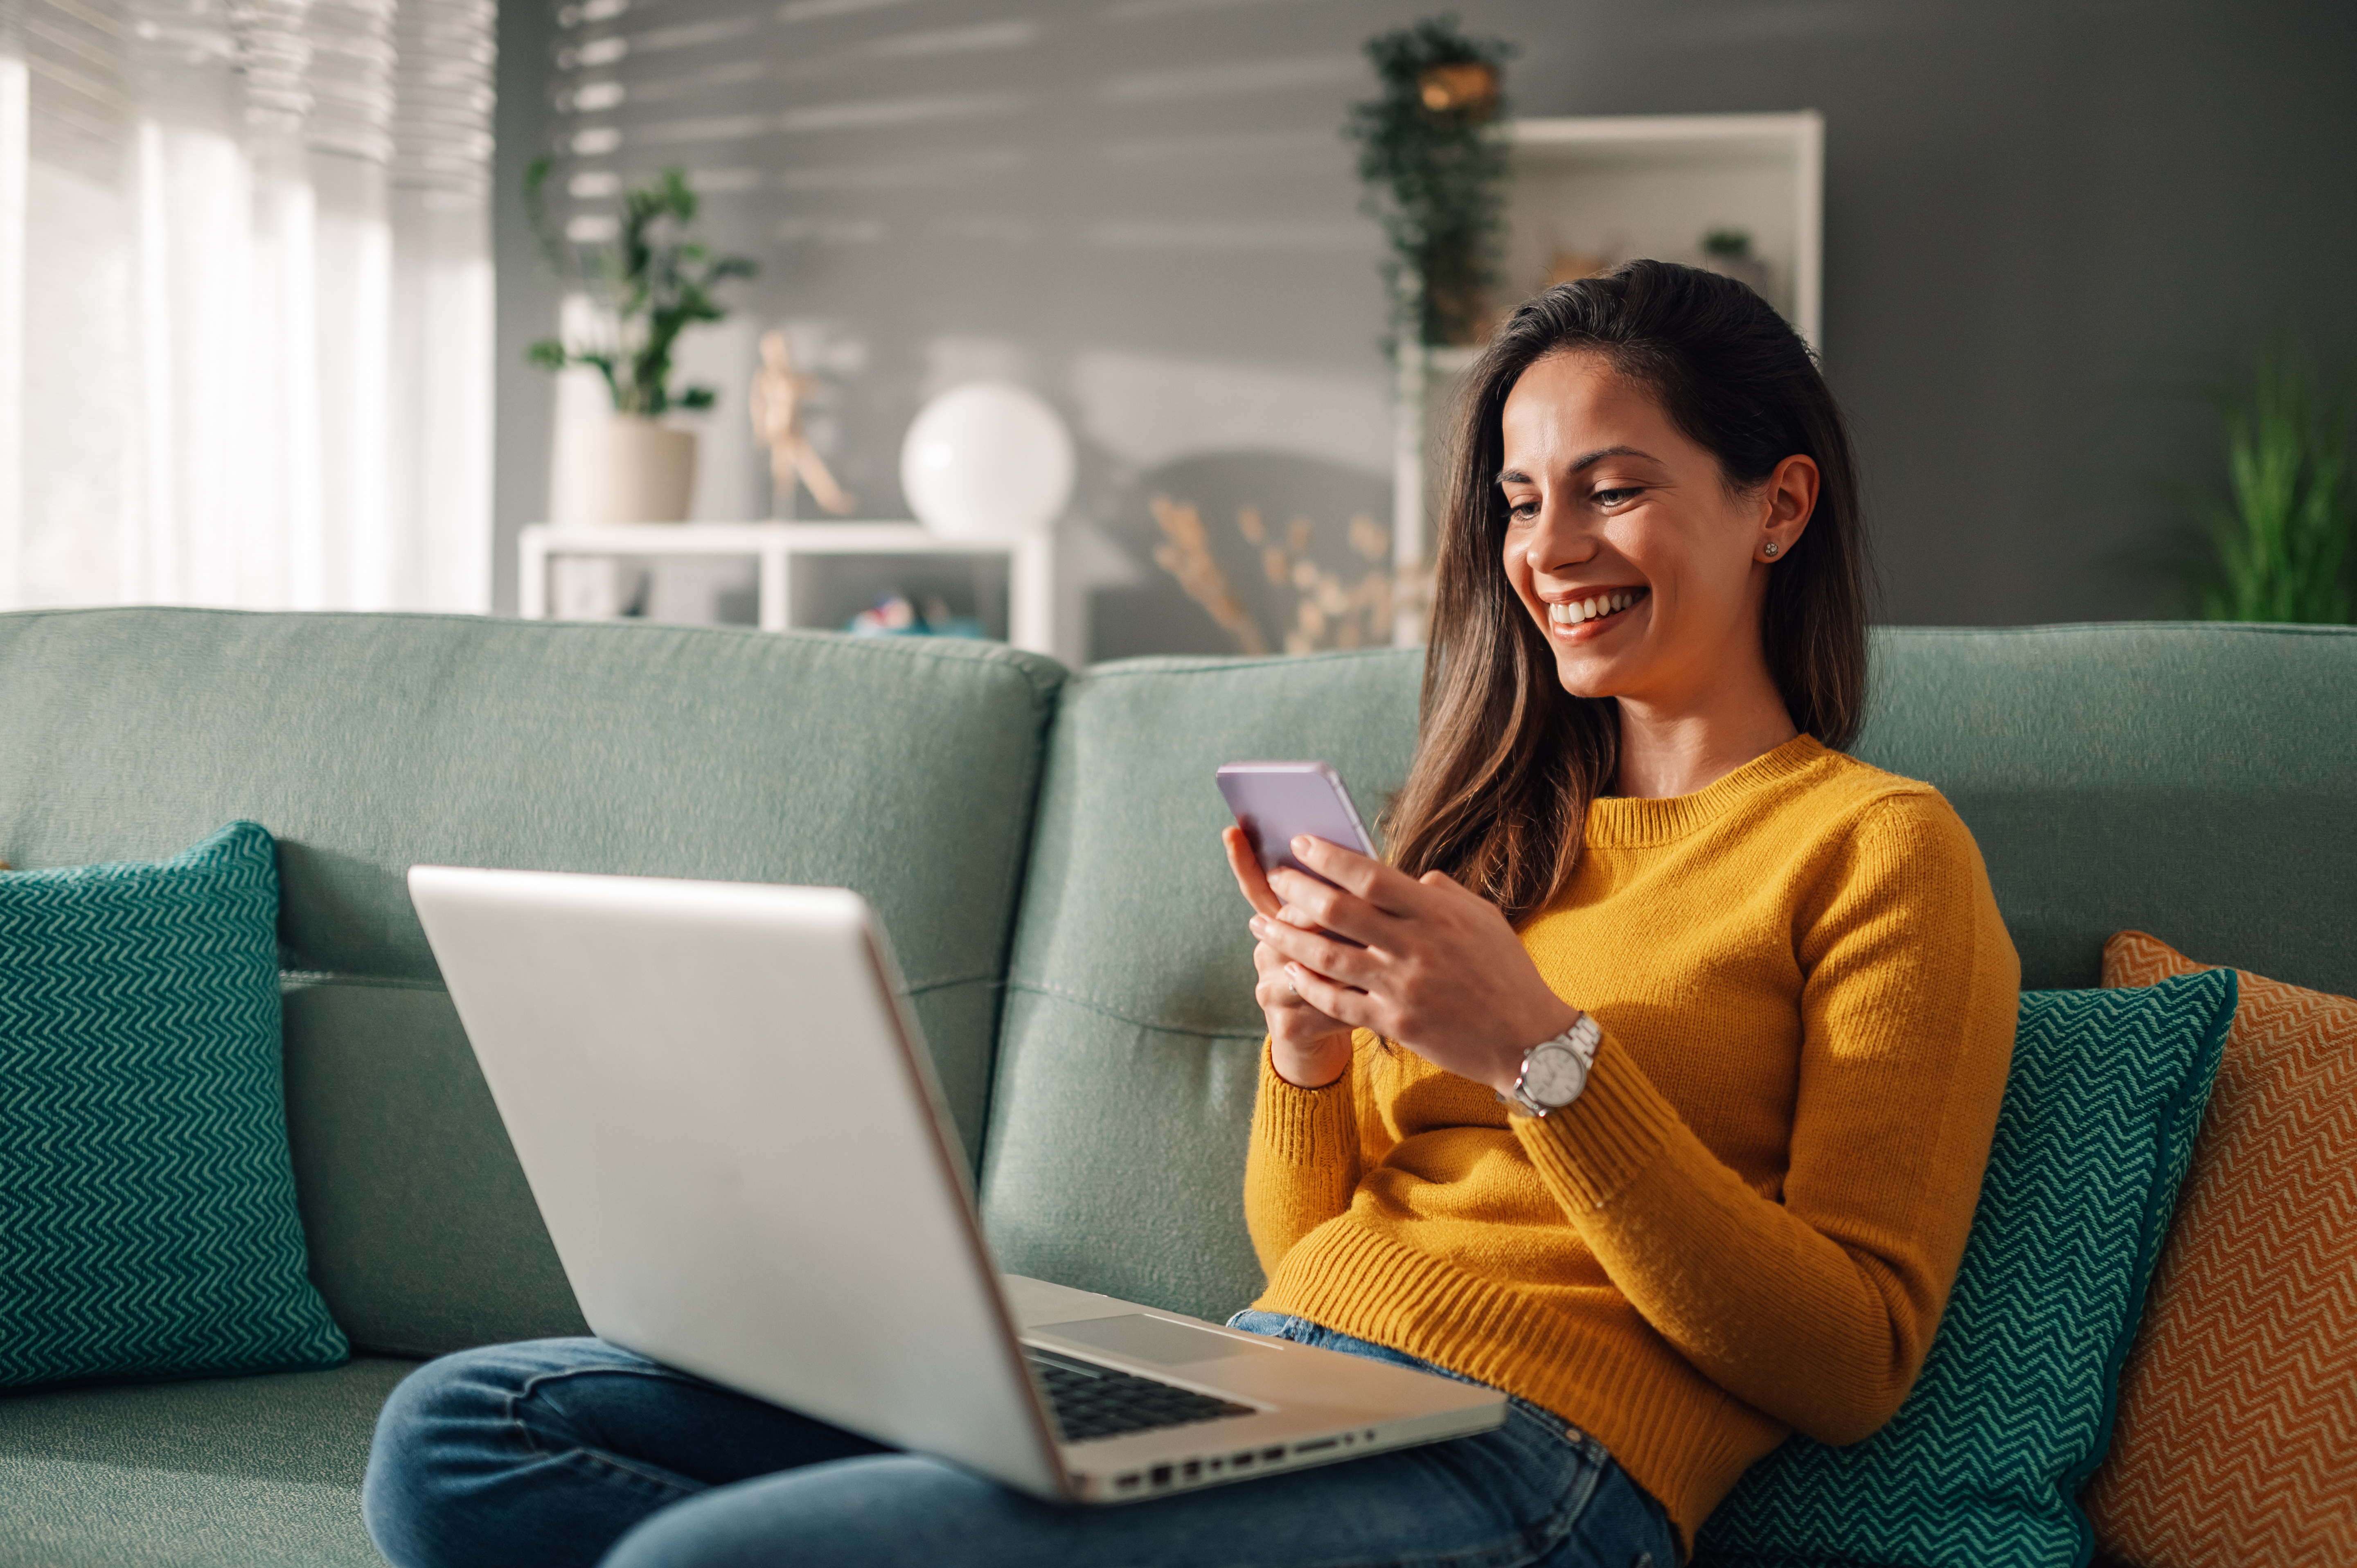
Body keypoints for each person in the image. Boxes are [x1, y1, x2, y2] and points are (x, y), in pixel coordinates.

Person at [362, 261, 2019, 1568]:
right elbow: (1310, 1257)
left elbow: (1852, 1358)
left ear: (1778, 507)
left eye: (1611, 487)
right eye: (1518, 500)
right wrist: (1304, 1052)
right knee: (466, 1433)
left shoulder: (1876, 850)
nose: (1550, 545)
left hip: (1535, 1468)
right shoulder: (1480, 840)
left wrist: (1547, 1057)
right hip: (1273, 1382)